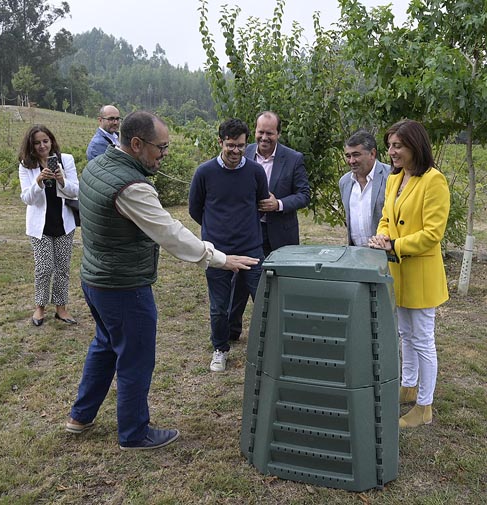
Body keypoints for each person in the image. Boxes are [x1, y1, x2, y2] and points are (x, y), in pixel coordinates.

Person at [66, 111, 259, 450]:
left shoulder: (98, 165)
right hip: (123, 286)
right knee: (135, 357)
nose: (165, 154)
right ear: (137, 144)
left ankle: (80, 416)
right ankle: (134, 433)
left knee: (106, 345)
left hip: (94, 279)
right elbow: (170, 233)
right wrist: (220, 258)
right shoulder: (132, 187)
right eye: (161, 148)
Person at [368, 119, 450, 429]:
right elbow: (386, 218)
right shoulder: (394, 179)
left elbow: (432, 233)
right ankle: (408, 384)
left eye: (397, 146)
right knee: (404, 334)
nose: (391, 152)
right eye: (389, 145)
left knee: (423, 339)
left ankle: (424, 406)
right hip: (397, 272)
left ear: (415, 146)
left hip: (421, 274)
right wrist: (381, 237)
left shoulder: (434, 181)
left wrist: (395, 244)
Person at [189, 119, 269, 372]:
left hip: (251, 249)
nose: (236, 151)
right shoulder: (205, 173)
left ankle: (268, 348)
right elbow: (195, 209)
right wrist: (217, 231)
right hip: (216, 251)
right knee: (219, 306)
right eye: (231, 146)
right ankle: (221, 349)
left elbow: (259, 201)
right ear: (220, 142)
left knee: (264, 300)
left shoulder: (256, 172)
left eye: (241, 146)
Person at [228, 111, 311, 342]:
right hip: (247, 232)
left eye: (270, 133)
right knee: (239, 282)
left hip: (280, 234)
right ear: (255, 131)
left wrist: (279, 204)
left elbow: (304, 195)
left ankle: (281, 333)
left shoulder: (293, 158)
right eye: (260, 132)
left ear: (279, 133)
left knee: (281, 284)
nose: (264, 137)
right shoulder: (242, 153)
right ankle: (231, 331)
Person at [18, 125, 79, 327]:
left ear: (51, 141)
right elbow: (27, 198)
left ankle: (61, 308)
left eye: (45, 141)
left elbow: (76, 191)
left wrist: (62, 180)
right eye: (37, 143)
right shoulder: (26, 166)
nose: (42, 146)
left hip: (63, 223)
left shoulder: (66, 160)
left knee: (62, 268)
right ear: (31, 146)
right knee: (44, 268)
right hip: (40, 226)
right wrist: (39, 181)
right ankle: (40, 306)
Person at [338, 129, 391, 246]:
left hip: (387, 254)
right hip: (357, 256)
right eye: (348, 156)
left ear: (372, 153)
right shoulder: (344, 182)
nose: (351, 161)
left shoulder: (391, 176)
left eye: (356, 155)